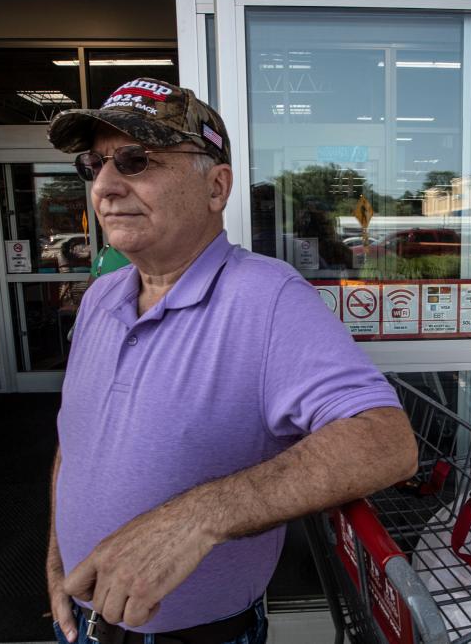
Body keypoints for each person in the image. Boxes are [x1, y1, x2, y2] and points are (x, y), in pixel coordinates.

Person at [44, 77, 418, 644]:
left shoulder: (267, 297)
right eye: (92, 165)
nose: (106, 186)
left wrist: (195, 518)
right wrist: (56, 552)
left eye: (135, 159)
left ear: (216, 187)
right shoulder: (100, 296)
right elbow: (77, 441)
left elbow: (385, 442)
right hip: (79, 618)